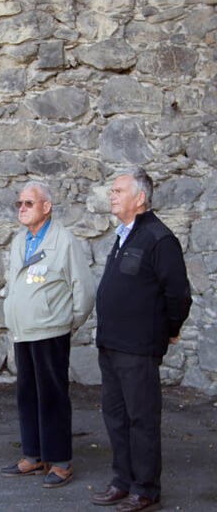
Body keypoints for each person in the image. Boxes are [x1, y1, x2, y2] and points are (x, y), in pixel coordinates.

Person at [91, 169, 191, 511]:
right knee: (115, 417)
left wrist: (169, 328)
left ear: (141, 198)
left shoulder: (159, 238)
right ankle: (123, 480)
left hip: (138, 349)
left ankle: (146, 488)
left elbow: (178, 294)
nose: (112, 195)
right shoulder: (123, 236)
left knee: (141, 419)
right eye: (112, 191)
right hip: (112, 346)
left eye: (118, 190)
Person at [0, 181, 95, 488]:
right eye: (19, 204)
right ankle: (34, 454)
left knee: (53, 396)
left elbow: (84, 288)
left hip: (51, 330)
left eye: (28, 203)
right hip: (23, 332)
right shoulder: (18, 241)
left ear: (46, 207)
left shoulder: (63, 240)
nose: (22, 209)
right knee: (27, 394)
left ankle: (61, 461)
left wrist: (69, 322)